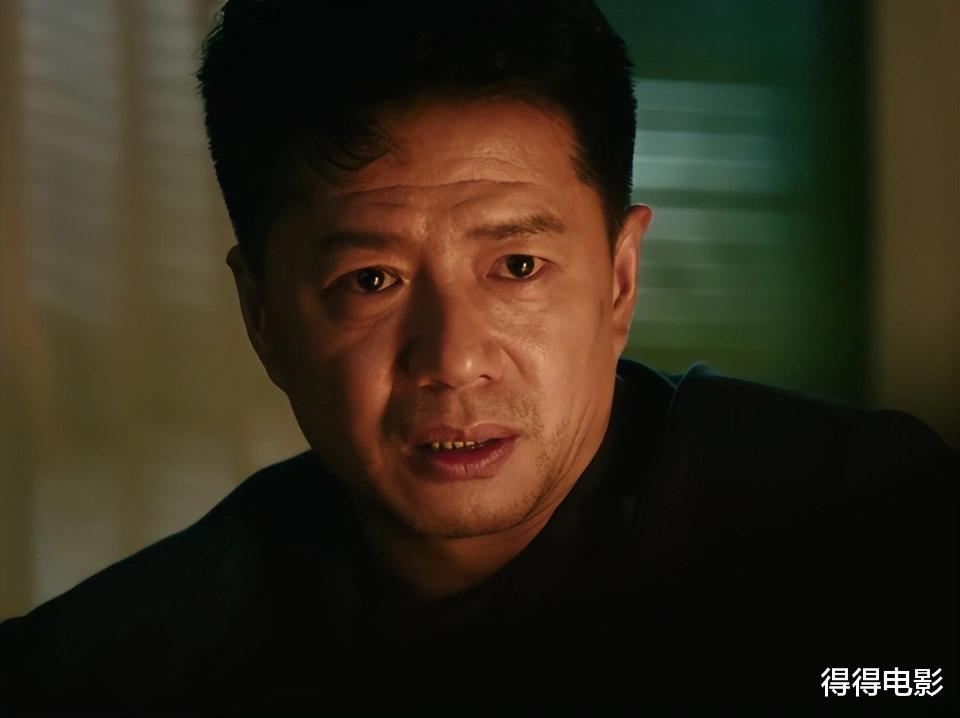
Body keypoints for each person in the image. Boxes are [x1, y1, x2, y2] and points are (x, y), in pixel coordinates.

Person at [1, 0, 957, 713]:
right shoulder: (115, 672)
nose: (454, 362)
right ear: (263, 316)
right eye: (371, 280)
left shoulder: (860, 526)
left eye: (518, 265)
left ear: (620, 280)